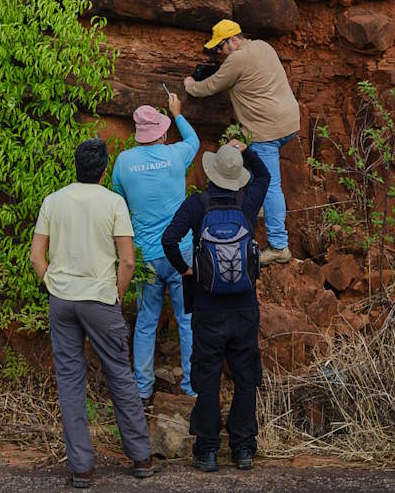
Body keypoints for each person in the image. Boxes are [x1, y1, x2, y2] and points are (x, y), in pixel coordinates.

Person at [30, 138, 154, 488]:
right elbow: (128, 260)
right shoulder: (113, 202)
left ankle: (81, 468)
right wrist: (116, 295)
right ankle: (141, 456)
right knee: (119, 375)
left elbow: (37, 256)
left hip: (62, 300)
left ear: (76, 166)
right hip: (100, 299)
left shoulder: (53, 201)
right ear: (104, 170)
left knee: (70, 380)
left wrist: (53, 286)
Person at [161, 138, 270, 472]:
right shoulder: (247, 203)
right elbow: (264, 176)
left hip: (207, 308)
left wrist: (186, 270)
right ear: (237, 177)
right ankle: (242, 450)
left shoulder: (198, 204)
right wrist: (246, 151)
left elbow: (168, 239)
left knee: (207, 378)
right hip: (244, 307)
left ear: (211, 173)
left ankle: (207, 451)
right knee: (244, 376)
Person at [183, 19, 299, 266]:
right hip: (288, 123)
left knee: (271, 185)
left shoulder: (237, 59)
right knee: (252, 162)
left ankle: (279, 246)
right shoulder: (263, 46)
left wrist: (191, 86)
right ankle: (257, 205)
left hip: (267, 131)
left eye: (220, 49)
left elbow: (212, 85)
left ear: (233, 40)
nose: (219, 55)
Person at [112, 92, 199, 405]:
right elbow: (195, 141)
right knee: (188, 319)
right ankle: (191, 387)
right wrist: (177, 113)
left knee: (147, 321)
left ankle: (143, 388)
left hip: (147, 256)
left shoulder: (123, 162)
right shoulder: (176, 155)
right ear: (161, 132)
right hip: (182, 254)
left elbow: (117, 200)